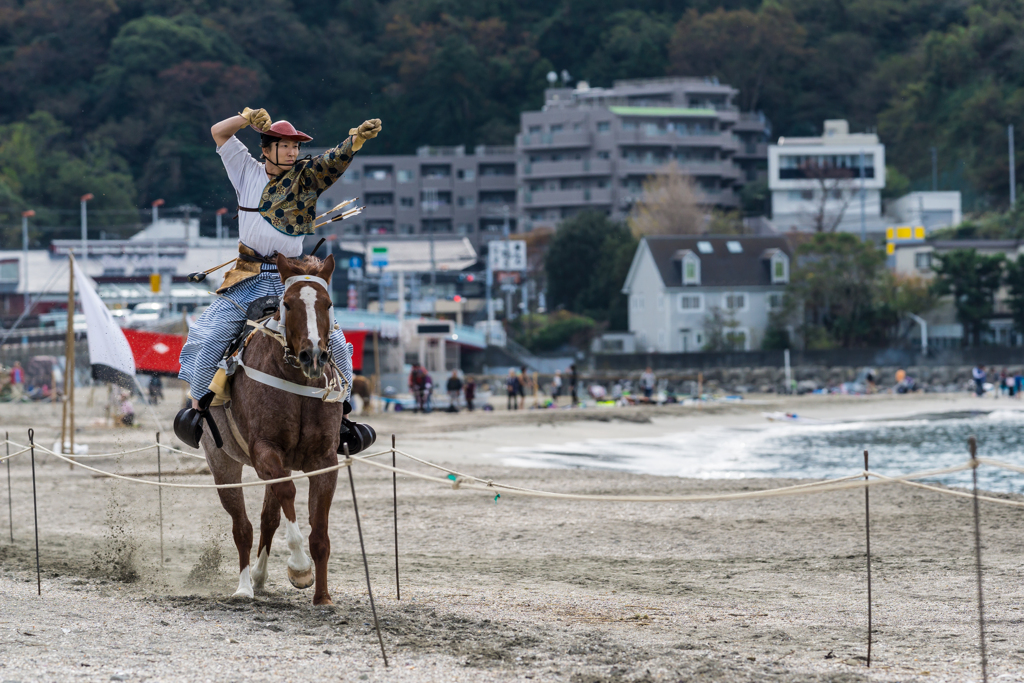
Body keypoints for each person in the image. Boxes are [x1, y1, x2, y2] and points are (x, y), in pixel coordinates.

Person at [176, 105, 381, 451]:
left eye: (296, 147)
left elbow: (332, 161)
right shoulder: (245, 170)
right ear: (266, 147)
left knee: (335, 339)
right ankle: (197, 409)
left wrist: (355, 140)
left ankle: (344, 415)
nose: (293, 152)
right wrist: (245, 118)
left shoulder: (306, 176)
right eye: (285, 145)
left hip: (293, 277)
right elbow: (218, 132)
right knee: (210, 336)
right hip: (248, 276)